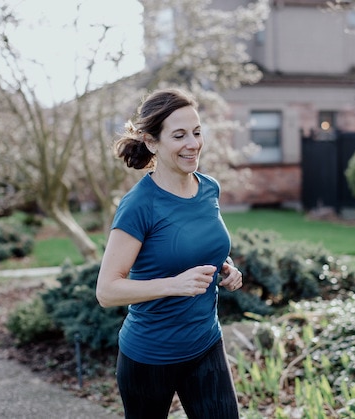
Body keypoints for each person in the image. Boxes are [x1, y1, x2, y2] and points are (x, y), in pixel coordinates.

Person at [96, 88, 243, 419]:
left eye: (196, 131)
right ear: (152, 142)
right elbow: (106, 291)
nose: (192, 143)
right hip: (149, 357)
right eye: (179, 135)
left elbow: (201, 248)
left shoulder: (209, 188)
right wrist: (173, 285)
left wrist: (227, 267)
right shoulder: (138, 206)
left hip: (206, 345)